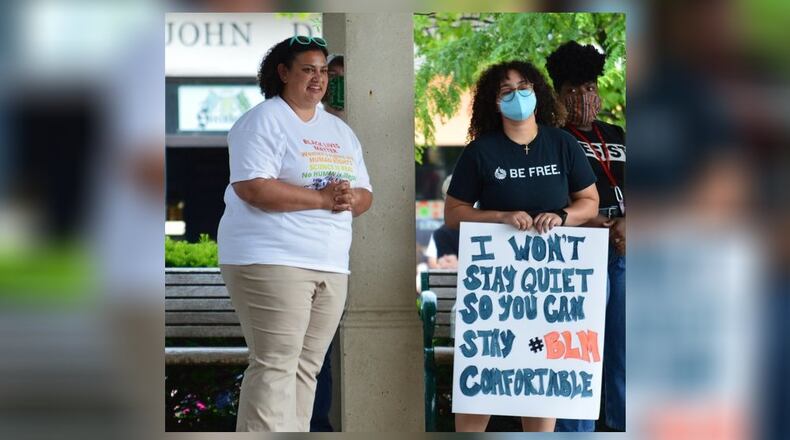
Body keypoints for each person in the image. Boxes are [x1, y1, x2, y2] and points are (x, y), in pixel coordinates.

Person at [216, 35, 373, 432]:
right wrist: (321, 199)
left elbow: (366, 194)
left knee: (307, 368)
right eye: (308, 69)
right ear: (283, 72)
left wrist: (347, 196)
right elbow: (252, 186)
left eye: (323, 71)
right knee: (276, 364)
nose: (318, 78)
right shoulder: (263, 120)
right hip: (271, 258)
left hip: (330, 262)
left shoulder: (340, 131)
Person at [444, 60, 600, 432]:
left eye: (524, 86)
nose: (518, 96)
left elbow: (589, 202)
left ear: (538, 93)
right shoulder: (480, 152)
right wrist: (498, 217)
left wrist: (562, 216)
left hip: (551, 292)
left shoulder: (562, 143)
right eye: (506, 91)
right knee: (481, 386)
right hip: (495, 296)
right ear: (494, 103)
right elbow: (454, 214)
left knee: (540, 387)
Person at [546, 40, 626, 432]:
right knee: (579, 348)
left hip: (626, 246)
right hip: (579, 251)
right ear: (558, 94)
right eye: (574, 91)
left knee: (625, 348)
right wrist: (583, 221)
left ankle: (622, 424)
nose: (585, 97)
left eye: (591, 88)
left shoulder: (617, 133)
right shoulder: (551, 138)